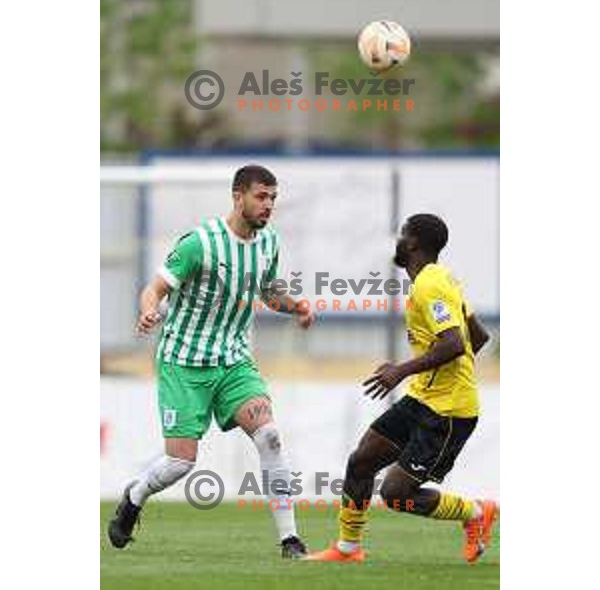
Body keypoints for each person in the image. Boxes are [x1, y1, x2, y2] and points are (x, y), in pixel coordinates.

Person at [108, 164, 315, 558]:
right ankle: (135, 496)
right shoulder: (199, 243)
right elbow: (153, 289)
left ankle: (290, 540)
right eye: (261, 196)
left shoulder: (269, 242)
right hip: (184, 362)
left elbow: (268, 291)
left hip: (234, 361)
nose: (268, 204)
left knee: (269, 437)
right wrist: (149, 311)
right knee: (179, 464)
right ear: (238, 197)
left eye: (273, 197)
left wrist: (297, 306)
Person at [307, 213, 498, 563]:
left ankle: (476, 512)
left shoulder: (431, 285)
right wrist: (431, 375)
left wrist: (401, 371)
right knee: (362, 460)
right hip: (425, 398)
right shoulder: (441, 280)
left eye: (402, 234)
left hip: (449, 411)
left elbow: (456, 344)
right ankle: (348, 549)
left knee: (396, 494)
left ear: (412, 243)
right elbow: (479, 338)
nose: (398, 240)